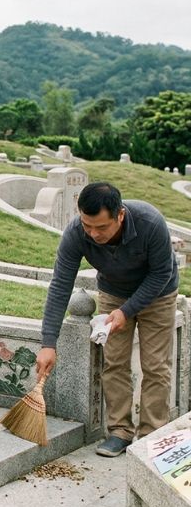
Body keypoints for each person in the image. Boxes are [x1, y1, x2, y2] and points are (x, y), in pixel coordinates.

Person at [36, 182, 179, 458]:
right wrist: (48, 343)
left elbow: (162, 273)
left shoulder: (150, 222)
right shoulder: (77, 232)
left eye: (101, 227)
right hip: (113, 292)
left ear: (120, 215)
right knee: (114, 363)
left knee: (156, 366)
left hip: (158, 294)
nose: (93, 233)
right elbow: (60, 285)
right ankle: (120, 432)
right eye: (87, 225)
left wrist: (128, 311)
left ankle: (151, 436)